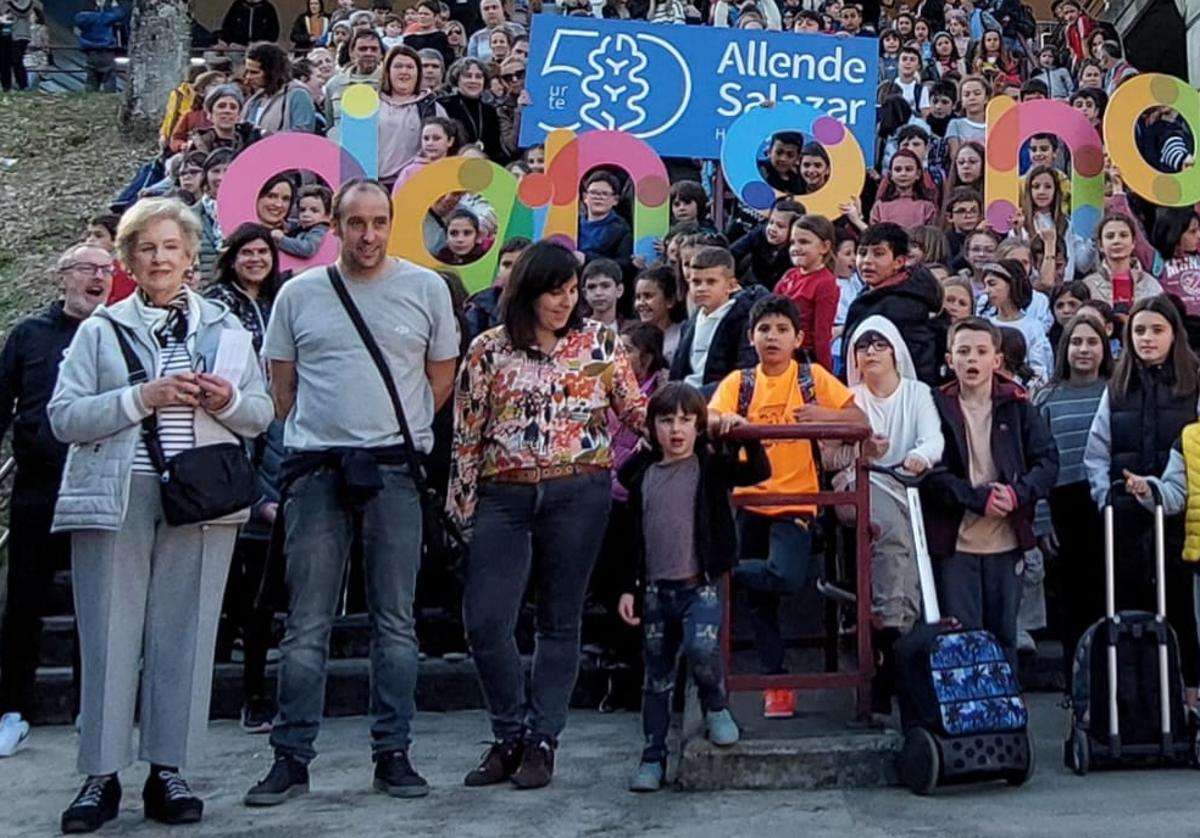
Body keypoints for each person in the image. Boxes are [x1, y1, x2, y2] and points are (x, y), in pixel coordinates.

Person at [50, 198, 272, 833]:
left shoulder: (226, 328)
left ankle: (169, 769)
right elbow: (64, 417)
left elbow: (259, 414)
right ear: (128, 260)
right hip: (118, 493)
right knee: (108, 634)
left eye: (170, 247)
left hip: (202, 499)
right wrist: (138, 398)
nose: (158, 259)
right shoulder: (100, 330)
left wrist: (228, 398)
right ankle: (99, 774)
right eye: (145, 248)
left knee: (188, 632)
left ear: (190, 257)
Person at [244, 180, 458, 805]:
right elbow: (281, 387)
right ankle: (290, 757)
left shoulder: (425, 289)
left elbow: (438, 380)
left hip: (394, 468)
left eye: (379, 221)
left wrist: (389, 429)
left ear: (393, 223)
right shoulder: (299, 294)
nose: (368, 234)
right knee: (307, 623)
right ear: (334, 225)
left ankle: (393, 752)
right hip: (315, 470)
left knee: (396, 622)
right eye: (356, 222)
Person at [449, 241, 647, 790]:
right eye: (554, 291)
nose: (565, 302)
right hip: (503, 493)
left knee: (560, 619)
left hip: (578, 489)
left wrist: (696, 418)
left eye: (572, 291)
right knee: (486, 620)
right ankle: (508, 731)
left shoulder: (601, 342)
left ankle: (542, 739)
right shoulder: (487, 349)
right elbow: (467, 434)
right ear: (527, 292)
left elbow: (633, 410)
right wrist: (460, 510)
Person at [708, 295, 867, 717]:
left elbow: (860, 422)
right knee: (760, 603)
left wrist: (821, 416)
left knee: (785, 575)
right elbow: (708, 419)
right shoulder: (739, 383)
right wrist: (728, 423)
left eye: (781, 329)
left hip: (797, 501)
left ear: (798, 337)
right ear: (750, 336)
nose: (772, 337)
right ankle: (776, 684)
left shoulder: (812, 377)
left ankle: (717, 570)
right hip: (747, 502)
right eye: (764, 329)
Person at [619, 382, 770, 792]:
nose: (676, 430)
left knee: (703, 648)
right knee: (656, 676)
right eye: (666, 421)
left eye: (686, 420)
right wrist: (628, 587)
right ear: (652, 427)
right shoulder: (642, 473)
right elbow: (629, 538)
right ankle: (653, 755)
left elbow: (757, 472)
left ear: (700, 426)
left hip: (699, 583)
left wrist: (742, 434)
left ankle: (715, 704)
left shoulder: (710, 466)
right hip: (653, 589)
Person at [0, 244, 113, 758]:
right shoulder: (28, 335)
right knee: (23, 600)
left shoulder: (116, 332)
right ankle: (12, 709)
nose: (99, 277)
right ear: (61, 277)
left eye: (107, 270)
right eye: (88, 269)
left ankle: (91, 706)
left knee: (96, 601)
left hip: (96, 480)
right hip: (38, 484)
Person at [921, 317, 1059, 667]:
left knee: (1004, 635)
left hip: (1006, 538)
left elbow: (1046, 462)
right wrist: (975, 498)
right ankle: (968, 714)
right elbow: (932, 472)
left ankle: (1007, 711)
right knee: (961, 635)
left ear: (996, 360)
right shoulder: (935, 405)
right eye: (963, 352)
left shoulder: (1017, 404)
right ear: (950, 359)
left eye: (981, 352)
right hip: (956, 540)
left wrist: (1016, 494)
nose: (972, 360)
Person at [1084, 295, 1200, 701]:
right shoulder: (1117, 386)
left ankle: (1188, 700)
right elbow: (1097, 450)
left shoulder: (1192, 383)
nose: (1147, 339)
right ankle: (1140, 699)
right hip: (1127, 518)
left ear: (1174, 335)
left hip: (1179, 518)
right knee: (1131, 605)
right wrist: (1106, 498)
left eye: (1156, 330)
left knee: (1183, 610)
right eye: (1139, 331)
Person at [203, 225, 282, 733]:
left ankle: (256, 689)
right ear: (230, 257)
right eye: (247, 252)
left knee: (261, 576)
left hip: (277, 429)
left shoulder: (286, 300)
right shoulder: (212, 307)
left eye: (263, 252)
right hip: (224, 432)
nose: (256, 260)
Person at [844, 314, 945, 713]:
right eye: (863, 345)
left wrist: (920, 456)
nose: (871, 352)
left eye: (878, 344)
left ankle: (900, 641)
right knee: (892, 534)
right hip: (864, 484)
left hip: (909, 487)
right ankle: (890, 627)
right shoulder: (850, 398)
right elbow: (836, 456)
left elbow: (932, 435)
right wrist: (863, 453)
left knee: (914, 554)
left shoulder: (917, 392)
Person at [1033, 312, 1112, 686]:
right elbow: (1039, 462)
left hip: (1108, 507)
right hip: (1065, 507)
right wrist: (1043, 519)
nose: (1084, 349)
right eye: (1077, 342)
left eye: (1092, 342)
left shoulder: (1117, 392)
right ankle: (1077, 687)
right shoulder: (1048, 397)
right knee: (1075, 605)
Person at [842, 223, 944, 386]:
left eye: (878, 254)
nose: (867, 261)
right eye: (862, 253)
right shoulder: (870, 293)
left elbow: (921, 366)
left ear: (899, 262)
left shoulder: (906, 306)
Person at [669, 246, 767, 396]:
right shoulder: (689, 324)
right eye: (696, 282)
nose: (702, 288)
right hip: (686, 400)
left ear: (731, 285)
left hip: (721, 402)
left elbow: (744, 374)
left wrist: (699, 397)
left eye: (711, 282)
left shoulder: (744, 321)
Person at [775, 214, 839, 369]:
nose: (796, 248)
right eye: (792, 243)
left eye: (804, 242)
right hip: (778, 350)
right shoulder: (789, 275)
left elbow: (821, 334)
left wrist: (825, 373)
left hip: (803, 357)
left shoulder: (825, 283)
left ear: (825, 247)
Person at [378, 45, 446, 187]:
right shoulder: (370, 104)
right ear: (387, 71)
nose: (404, 71)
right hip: (375, 184)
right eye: (398, 66)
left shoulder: (432, 108)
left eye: (410, 67)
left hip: (415, 184)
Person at [979, 259, 1054, 382]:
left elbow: (1041, 370)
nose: (986, 291)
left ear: (1011, 284)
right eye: (985, 285)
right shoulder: (985, 326)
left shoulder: (1033, 327)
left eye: (992, 284)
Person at [1082, 212, 1163, 314]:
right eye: (1110, 236)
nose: (1117, 241)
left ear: (1133, 243)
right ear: (1100, 245)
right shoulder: (1088, 286)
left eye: (1123, 235)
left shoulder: (1150, 285)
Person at [243, 42, 318, 136]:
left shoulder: (298, 94)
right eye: (247, 72)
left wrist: (265, 134)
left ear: (271, 71)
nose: (248, 77)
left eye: (254, 72)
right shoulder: (255, 99)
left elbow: (303, 134)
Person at [440, 56, 505, 161]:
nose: (473, 81)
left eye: (478, 76)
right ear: (457, 79)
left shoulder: (490, 111)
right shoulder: (444, 105)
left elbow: (495, 148)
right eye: (468, 76)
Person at [324, 28, 384, 130]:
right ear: (351, 52)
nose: (368, 53)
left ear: (381, 54)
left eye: (374, 49)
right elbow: (330, 126)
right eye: (362, 49)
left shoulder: (389, 83)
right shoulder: (334, 84)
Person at [73, 0, 127, 93]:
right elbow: (119, 15)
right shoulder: (102, 17)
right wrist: (115, 6)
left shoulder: (80, 18)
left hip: (89, 51)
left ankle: (90, 97)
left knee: (92, 77)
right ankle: (109, 97)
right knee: (108, 77)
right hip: (105, 50)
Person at [272, 184, 332, 261]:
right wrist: (287, 225)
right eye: (302, 210)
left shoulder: (318, 230)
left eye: (314, 211)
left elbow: (307, 249)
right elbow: (297, 225)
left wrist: (282, 239)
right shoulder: (307, 224)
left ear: (327, 215)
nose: (306, 214)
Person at [404, 0, 455, 67]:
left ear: (436, 16)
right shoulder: (409, 39)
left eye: (426, 14)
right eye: (420, 13)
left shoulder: (441, 38)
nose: (422, 16)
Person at [582, 258, 626, 329]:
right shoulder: (574, 330)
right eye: (591, 287)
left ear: (619, 290)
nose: (598, 293)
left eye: (605, 286)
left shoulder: (632, 332)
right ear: (585, 294)